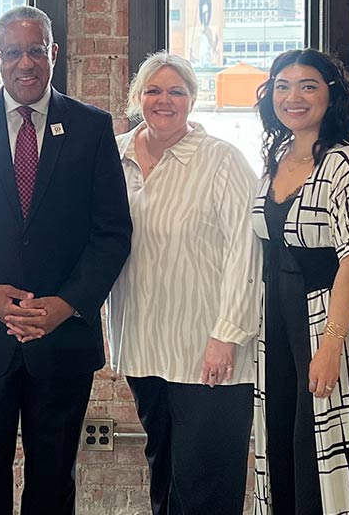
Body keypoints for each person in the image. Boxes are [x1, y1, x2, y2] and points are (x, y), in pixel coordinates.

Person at [0, 5, 132, 515]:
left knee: (54, 481)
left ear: (54, 53)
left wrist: (67, 304)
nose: (26, 63)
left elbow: (112, 235)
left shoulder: (92, 128)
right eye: (14, 52)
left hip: (62, 337)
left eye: (37, 50)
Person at [107, 51, 261, 514]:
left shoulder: (222, 160)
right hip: (143, 345)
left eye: (177, 91)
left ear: (193, 99)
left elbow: (246, 250)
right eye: (153, 90)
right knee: (166, 469)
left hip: (208, 348)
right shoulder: (114, 155)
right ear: (137, 98)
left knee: (206, 481)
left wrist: (227, 334)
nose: (164, 100)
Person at [250, 48, 349, 515]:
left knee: (330, 446)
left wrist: (330, 346)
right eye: (282, 86)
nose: (294, 97)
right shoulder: (275, 157)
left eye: (308, 85)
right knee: (284, 436)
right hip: (278, 319)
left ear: (332, 95)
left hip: (331, 321)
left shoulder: (348, 163)